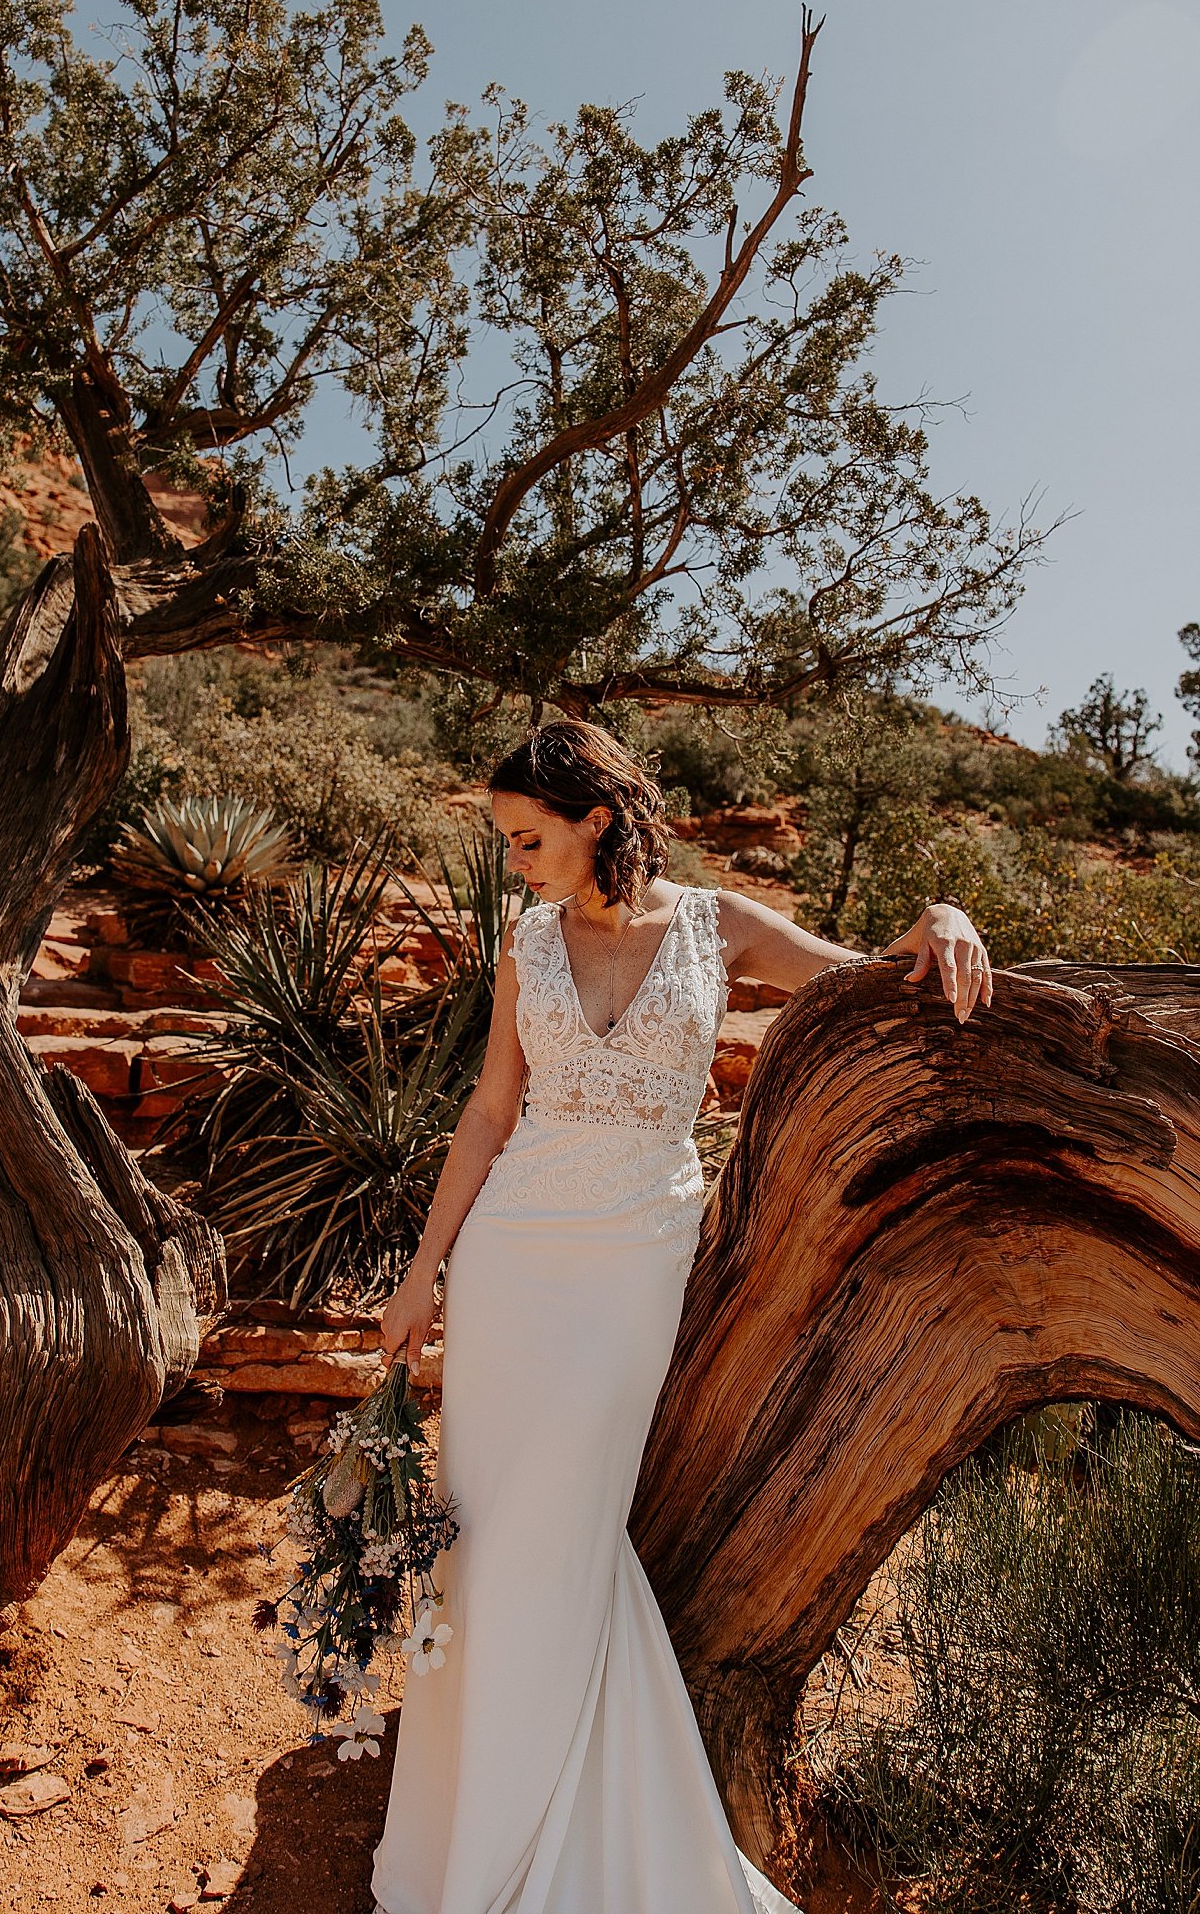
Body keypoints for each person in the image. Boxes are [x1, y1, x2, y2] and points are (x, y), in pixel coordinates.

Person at [371, 697, 995, 1914]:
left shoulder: (720, 925)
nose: (516, 861)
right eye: (507, 842)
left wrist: (948, 914)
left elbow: (873, 974)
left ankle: (559, 1820)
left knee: (564, 1518)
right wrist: (422, 1270)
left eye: (528, 837)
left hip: (633, 1262)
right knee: (490, 1535)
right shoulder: (525, 940)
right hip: (512, 1258)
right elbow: (493, 1111)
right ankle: (476, 1826)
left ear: (599, 818)